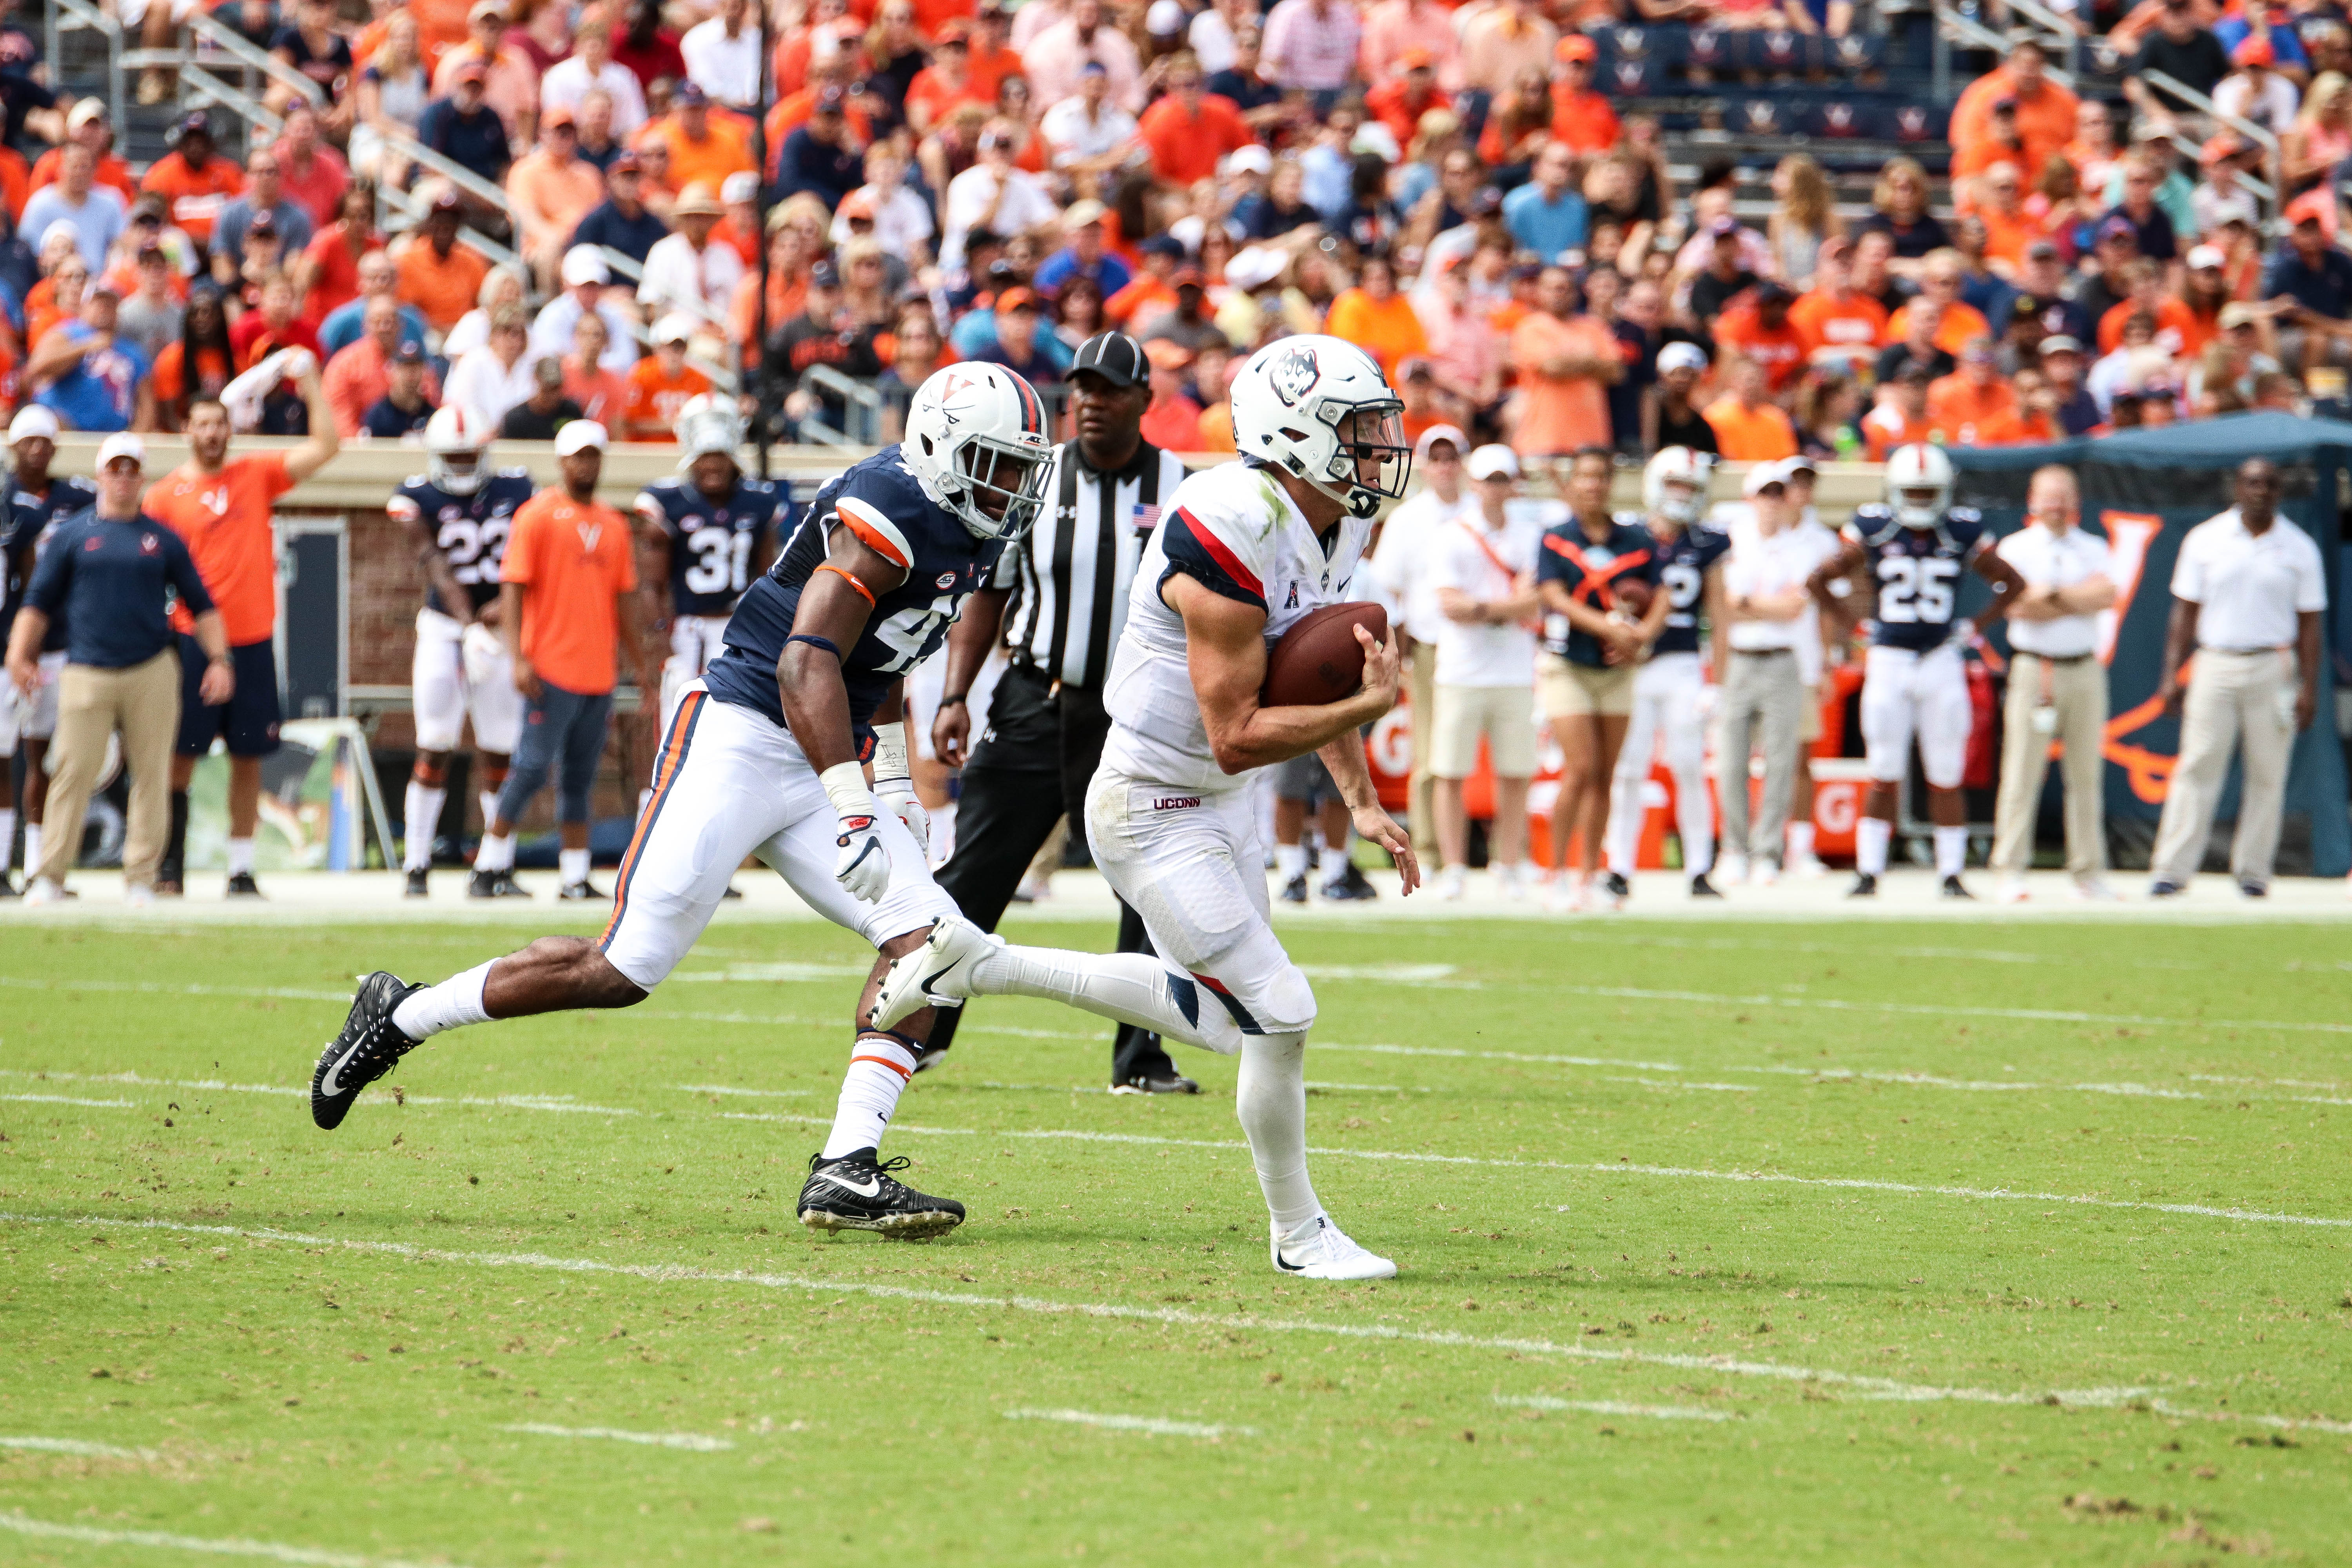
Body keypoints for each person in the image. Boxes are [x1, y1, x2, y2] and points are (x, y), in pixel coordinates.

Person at [308, 367, 1057, 1245]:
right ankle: (401, 1014)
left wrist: (892, 781)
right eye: (996, 464)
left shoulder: (965, 526)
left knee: (930, 947)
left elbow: (884, 656)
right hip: (743, 733)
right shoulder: (888, 508)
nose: (1012, 487)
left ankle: (846, 1166)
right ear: (938, 447)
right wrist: (858, 805)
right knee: (622, 970)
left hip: (826, 745)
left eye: (1021, 468)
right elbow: (806, 662)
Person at [860, 336, 1414, 1274]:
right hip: (1154, 802)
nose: (1379, 447)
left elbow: (1311, 672)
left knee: (1220, 1021)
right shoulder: (1226, 520)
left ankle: (980, 962)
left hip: (1220, 802)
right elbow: (1238, 729)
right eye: (1358, 429)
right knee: (1282, 1011)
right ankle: (1300, 1235)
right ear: (1295, 434)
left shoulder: (1337, 523)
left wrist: (1360, 800)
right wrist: (1366, 707)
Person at [919, 334, 1201, 1092]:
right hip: (1037, 699)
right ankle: (916, 1031)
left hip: (1139, 715)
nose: (1091, 403)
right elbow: (991, 590)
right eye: (1082, 389)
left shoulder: (1183, 489)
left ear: (1144, 400)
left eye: (1109, 390)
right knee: (973, 876)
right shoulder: (1037, 477)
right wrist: (955, 694)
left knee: (1150, 888)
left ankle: (1142, 1057)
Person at [5, 434, 229, 906]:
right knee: (72, 769)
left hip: (151, 667)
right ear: (101, 474)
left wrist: (220, 659)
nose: (123, 477)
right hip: (87, 667)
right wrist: (19, 653)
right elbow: (38, 601)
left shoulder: (162, 538)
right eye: (115, 468)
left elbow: (202, 603)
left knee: (152, 773)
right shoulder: (73, 535)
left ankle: (141, 876)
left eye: (131, 469)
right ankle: (50, 873)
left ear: (141, 477)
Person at [145, 365, 339, 897]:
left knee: (248, 757)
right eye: (203, 424)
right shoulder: (164, 496)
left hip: (253, 639)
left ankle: (241, 869)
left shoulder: (255, 475)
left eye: (220, 424)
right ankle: (170, 865)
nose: (212, 433)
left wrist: (309, 381)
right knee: (181, 754)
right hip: (193, 640)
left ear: (231, 429)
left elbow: (327, 446)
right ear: (186, 429)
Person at [1806, 444, 2025, 899]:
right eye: (1914, 493)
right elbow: (1818, 580)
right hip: (1889, 658)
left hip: (1940, 658)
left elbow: (2013, 582)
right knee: (1883, 768)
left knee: (1946, 771)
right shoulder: (1875, 527)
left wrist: (1976, 625)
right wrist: (1854, 625)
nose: (1922, 502)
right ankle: (1869, 870)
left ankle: (1950, 872)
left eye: (1929, 493)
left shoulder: (1961, 529)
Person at [454, 420, 653, 903]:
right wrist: (519, 657)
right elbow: (513, 587)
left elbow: (624, 598)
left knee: (580, 777)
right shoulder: (538, 515)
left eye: (593, 455)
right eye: (578, 456)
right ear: (562, 462)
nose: (586, 465)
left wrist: (640, 663)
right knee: (530, 767)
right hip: (551, 666)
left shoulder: (613, 523)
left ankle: (574, 874)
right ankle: (488, 864)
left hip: (597, 670)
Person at [2148, 458, 2328, 898]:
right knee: (2197, 764)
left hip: (2273, 663)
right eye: (2252, 483)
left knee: (2268, 772)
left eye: (2270, 484)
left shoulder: (2299, 547)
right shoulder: (2206, 539)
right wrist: (2171, 674)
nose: (2261, 491)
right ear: (2237, 488)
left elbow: (2310, 624)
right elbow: (2184, 612)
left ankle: (2253, 871)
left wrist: (2308, 686)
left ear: (2280, 491)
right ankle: (2172, 869)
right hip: (2216, 660)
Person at [391, 406, 536, 897]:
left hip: (498, 628)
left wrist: (498, 611)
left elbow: (529, 560)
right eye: (452, 457)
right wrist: (469, 623)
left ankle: (498, 866)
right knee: (435, 741)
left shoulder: (517, 489)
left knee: (501, 747)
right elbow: (433, 561)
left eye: (469, 456)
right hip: (444, 629)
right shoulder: (416, 495)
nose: (461, 465)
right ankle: (416, 864)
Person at [1534, 446, 1666, 912]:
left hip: (1616, 668)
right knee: (1581, 767)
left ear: (1611, 482)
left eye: (1600, 476)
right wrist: (1610, 629)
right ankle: (1555, 872)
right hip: (1568, 662)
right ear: (1574, 482)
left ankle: (1589, 874)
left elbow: (1662, 595)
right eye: (1585, 476)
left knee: (1606, 775)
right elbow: (1554, 596)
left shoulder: (1637, 538)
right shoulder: (1556, 538)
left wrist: (1639, 637)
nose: (1593, 485)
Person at [1602, 447, 1726, 900]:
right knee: (1629, 769)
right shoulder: (1629, 535)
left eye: (1690, 487)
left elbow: (1721, 617)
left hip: (1682, 664)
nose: (1681, 494)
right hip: (1634, 667)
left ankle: (1699, 867)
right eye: (1675, 484)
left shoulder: (1707, 543)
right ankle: (1619, 866)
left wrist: (1718, 683)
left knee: (1690, 765)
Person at [1991, 466, 2118, 904]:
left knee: (2085, 776)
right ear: (2032, 500)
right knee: (2021, 771)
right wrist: (2074, 598)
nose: (2057, 505)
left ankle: (2088, 871)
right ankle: (2010, 869)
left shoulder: (2093, 547)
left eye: (2064, 496)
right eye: (2049, 496)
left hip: (2083, 667)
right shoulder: (2016, 547)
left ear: (2076, 501)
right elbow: (2015, 605)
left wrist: (2051, 595)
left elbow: (2105, 596)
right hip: (2034, 667)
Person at [1426, 443, 1541, 902]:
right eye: (1489, 479)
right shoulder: (1452, 534)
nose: (1495, 488)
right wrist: (1504, 608)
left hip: (1514, 670)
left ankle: (1507, 862)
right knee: (1449, 770)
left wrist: (1482, 608)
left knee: (1516, 771)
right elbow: (1449, 604)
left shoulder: (1529, 535)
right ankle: (1454, 865)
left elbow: (1535, 599)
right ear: (1474, 483)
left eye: (1502, 479)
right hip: (1462, 670)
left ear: (1513, 484)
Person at [634, 399, 785, 746]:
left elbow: (770, 580)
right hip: (689, 630)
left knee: (739, 730)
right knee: (677, 728)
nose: (713, 466)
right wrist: (659, 640)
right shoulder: (667, 501)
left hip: (740, 628)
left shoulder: (759, 501)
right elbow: (652, 585)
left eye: (720, 456)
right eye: (705, 457)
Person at [0, 408, 100, 896]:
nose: (38, 449)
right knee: (3, 756)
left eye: (45, 440)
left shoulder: (79, 497)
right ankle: (2, 865)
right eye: (29, 441)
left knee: (45, 759)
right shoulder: (7, 503)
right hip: (7, 647)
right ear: (14, 447)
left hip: (61, 643)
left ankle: (41, 868)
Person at [1370, 424, 1471, 878]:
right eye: (1437, 459)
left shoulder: (1481, 511)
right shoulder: (1408, 519)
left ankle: (1502, 853)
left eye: (1452, 458)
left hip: (1482, 645)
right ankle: (1428, 850)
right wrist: (1400, 650)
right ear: (1425, 466)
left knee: (1484, 752)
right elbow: (1389, 590)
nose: (1445, 467)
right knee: (1430, 751)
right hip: (1430, 644)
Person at [1714, 460, 1814, 889]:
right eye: (1765, 493)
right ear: (1750, 498)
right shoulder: (1733, 539)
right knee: (1732, 758)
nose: (1773, 502)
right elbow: (1726, 603)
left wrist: (1750, 604)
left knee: (1780, 760)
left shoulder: (1801, 545)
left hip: (1782, 657)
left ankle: (1768, 851)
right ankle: (1734, 848)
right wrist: (1757, 605)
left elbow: (1795, 607)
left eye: (1778, 493)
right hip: (1740, 656)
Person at [27, 281, 155, 434]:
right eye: (98, 303)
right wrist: (85, 347)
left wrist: (136, 436)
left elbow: (147, 403)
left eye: (110, 305)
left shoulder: (131, 351)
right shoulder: (65, 334)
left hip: (113, 436)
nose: (104, 309)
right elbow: (37, 369)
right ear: (84, 306)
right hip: (64, 432)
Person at [326, 294, 443, 437]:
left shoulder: (414, 359)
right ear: (365, 326)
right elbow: (339, 419)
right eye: (377, 322)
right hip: (364, 441)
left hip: (413, 437)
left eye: (390, 321)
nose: (384, 327)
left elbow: (435, 409)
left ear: (401, 324)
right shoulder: (344, 366)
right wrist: (363, 446)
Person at [363, 341, 439, 439]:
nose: (410, 375)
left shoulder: (432, 416)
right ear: (391, 371)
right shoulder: (378, 416)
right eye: (403, 369)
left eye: (415, 369)